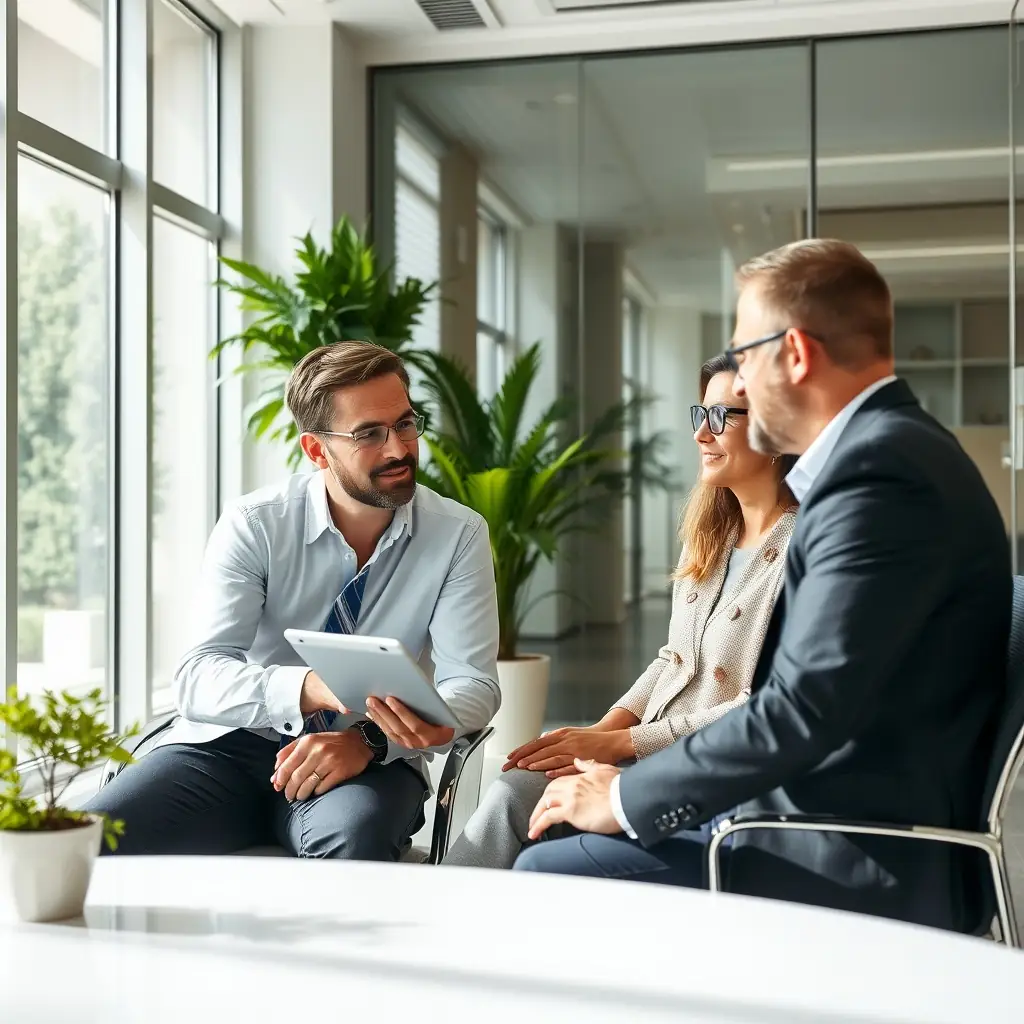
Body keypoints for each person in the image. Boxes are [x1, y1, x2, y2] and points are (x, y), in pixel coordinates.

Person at [514, 239, 1010, 934]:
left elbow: (801, 710)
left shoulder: (879, 478)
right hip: (810, 813)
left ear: (797, 354)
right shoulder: (898, 452)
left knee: (546, 866)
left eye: (744, 355)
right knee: (550, 821)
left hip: (840, 845)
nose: (738, 383)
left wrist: (625, 797)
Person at [86, 341, 500, 860]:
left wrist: (370, 740)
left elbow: (474, 684)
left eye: (405, 424)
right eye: (369, 434)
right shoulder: (256, 524)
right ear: (316, 450)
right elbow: (199, 674)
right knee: (91, 836)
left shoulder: (457, 535)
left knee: (356, 840)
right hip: (226, 748)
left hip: (360, 757)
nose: (399, 449)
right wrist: (311, 686)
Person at [443, 356, 797, 870]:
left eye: (722, 417)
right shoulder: (712, 536)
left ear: (774, 432)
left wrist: (618, 743)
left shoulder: (800, 549)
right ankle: (446, 925)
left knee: (534, 822)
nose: (701, 433)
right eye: (699, 414)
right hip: (645, 749)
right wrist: (590, 740)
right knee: (514, 788)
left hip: (702, 774)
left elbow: (762, 706)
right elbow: (671, 661)